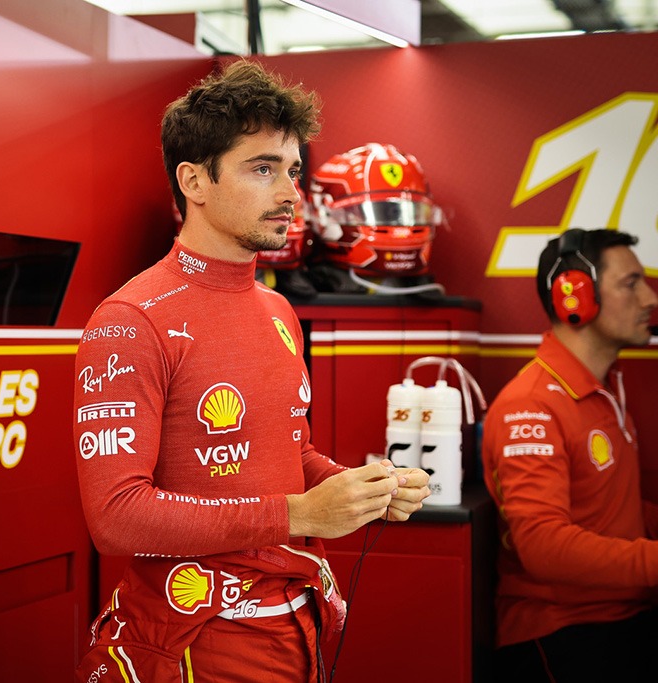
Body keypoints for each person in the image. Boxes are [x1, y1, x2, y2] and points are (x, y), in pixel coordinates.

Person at [72, 59, 430, 682]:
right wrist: (299, 515)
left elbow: (290, 452)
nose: (290, 193)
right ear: (194, 180)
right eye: (262, 169)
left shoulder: (279, 310)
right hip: (190, 642)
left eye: (292, 170)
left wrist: (359, 490)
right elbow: (116, 517)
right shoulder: (129, 320)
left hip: (298, 628)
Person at [482, 227, 658, 681]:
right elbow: (543, 547)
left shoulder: (604, 390)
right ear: (574, 295)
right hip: (563, 630)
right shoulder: (532, 405)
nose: (650, 299)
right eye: (631, 283)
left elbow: (609, 509)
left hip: (624, 615)